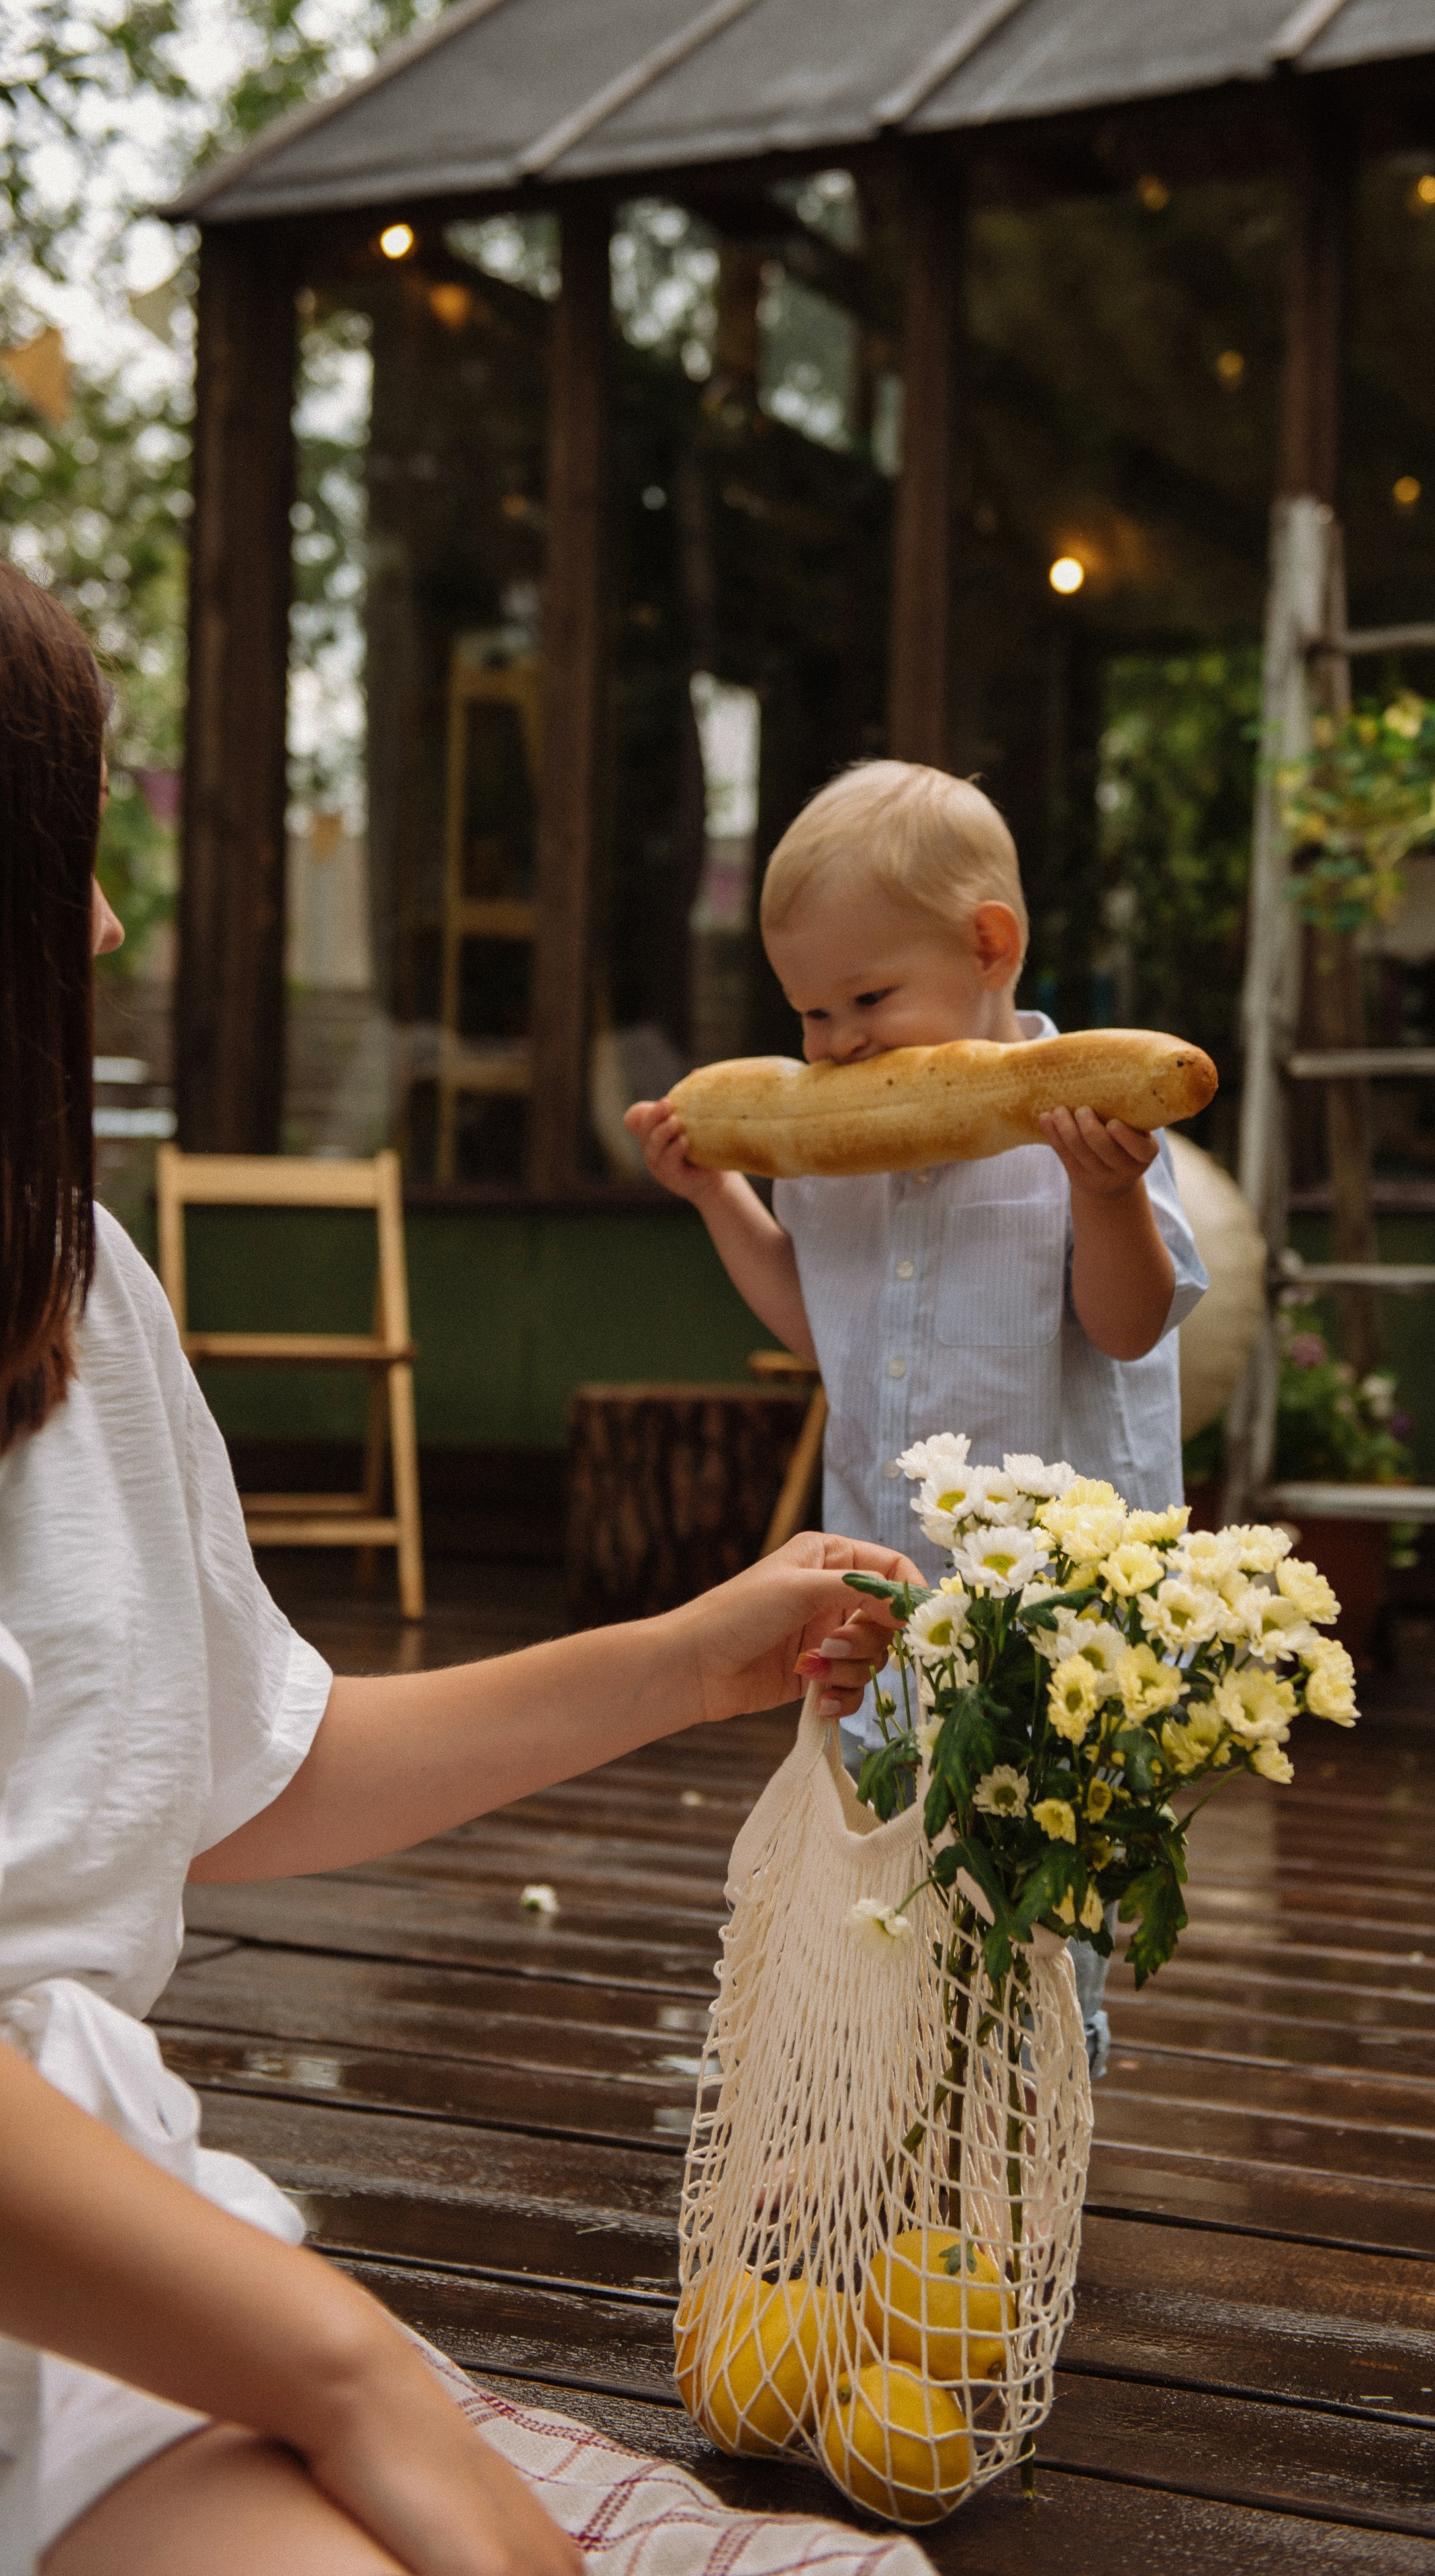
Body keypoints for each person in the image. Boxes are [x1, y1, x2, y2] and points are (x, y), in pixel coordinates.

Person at [0, 558, 921, 2576]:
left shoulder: (76, 1281)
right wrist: (350, 2369)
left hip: (107, 2234)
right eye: (56, 851)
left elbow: (232, 1768)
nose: (104, 918)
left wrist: (689, 1659)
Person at [626, 761, 1208, 2076]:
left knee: (1036, 1866)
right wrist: (719, 1198)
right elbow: (816, 1326)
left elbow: (1125, 1324)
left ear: (988, 945)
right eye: (808, 1013)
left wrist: (1102, 1192)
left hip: (1049, 1609)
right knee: (885, 1841)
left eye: (867, 1001)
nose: (831, 1044)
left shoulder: (1083, 1120)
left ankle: (1031, 2094)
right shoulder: (833, 1162)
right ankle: (890, 2080)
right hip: (888, 1583)